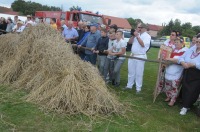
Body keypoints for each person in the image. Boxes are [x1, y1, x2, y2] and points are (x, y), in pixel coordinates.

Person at [125, 23, 151, 93]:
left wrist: (137, 36)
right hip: (132, 55)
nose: (138, 28)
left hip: (140, 55)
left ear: (144, 28)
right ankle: (129, 85)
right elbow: (129, 42)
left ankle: (138, 88)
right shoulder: (136, 34)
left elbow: (143, 45)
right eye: (137, 27)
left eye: (140, 27)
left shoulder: (147, 36)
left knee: (139, 73)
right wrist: (133, 36)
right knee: (131, 71)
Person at [178, 35, 200, 115]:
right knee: (185, 89)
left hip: (196, 74)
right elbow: (181, 57)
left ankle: (185, 107)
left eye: (199, 42)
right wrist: (183, 62)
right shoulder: (191, 49)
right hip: (187, 71)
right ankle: (186, 105)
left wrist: (194, 64)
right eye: (197, 42)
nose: (198, 43)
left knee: (192, 91)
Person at [164, 37, 188, 106]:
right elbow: (167, 57)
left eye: (178, 42)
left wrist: (169, 59)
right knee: (168, 84)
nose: (176, 43)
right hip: (169, 69)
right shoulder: (172, 50)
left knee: (174, 86)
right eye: (175, 42)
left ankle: (173, 100)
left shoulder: (184, 51)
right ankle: (168, 96)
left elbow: (179, 60)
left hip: (177, 70)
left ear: (182, 43)